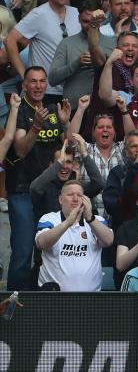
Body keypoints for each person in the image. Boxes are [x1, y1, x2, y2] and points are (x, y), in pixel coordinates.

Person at [5, 66, 71, 290]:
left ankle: (42, 304)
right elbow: (20, 149)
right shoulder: (19, 110)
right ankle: (15, 303)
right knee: (23, 251)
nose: (38, 86)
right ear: (24, 85)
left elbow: (69, 145)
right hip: (22, 189)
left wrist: (65, 122)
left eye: (42, 81)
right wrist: (36, 127)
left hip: (49, 190)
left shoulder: (53, 109)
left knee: (47, 252)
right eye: (33, 82)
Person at [5, 0, 81, 103]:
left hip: (72, 91)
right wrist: (26, 76)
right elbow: (9, 40)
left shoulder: (76, 13)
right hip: (45, 92)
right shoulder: (38, 14)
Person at [35, 180, 113, 291]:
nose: (75, 199)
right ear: (61, 199)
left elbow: (108, 241)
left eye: (79, 195)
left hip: (91, 298)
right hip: (53, 296)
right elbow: (41, 243)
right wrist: (67, 223)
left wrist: (90, 218)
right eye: (70, 195)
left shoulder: (96, 221)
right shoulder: (49, 218)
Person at [49, 0, 115, 109]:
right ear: (79, 19)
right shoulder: (67, 44)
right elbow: (52, 79)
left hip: (104, 113)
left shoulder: (112, 42)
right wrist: (76, 63)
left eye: (93, 22)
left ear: (100, 21)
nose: (89, 26)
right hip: (73, 111)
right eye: (85, 21)